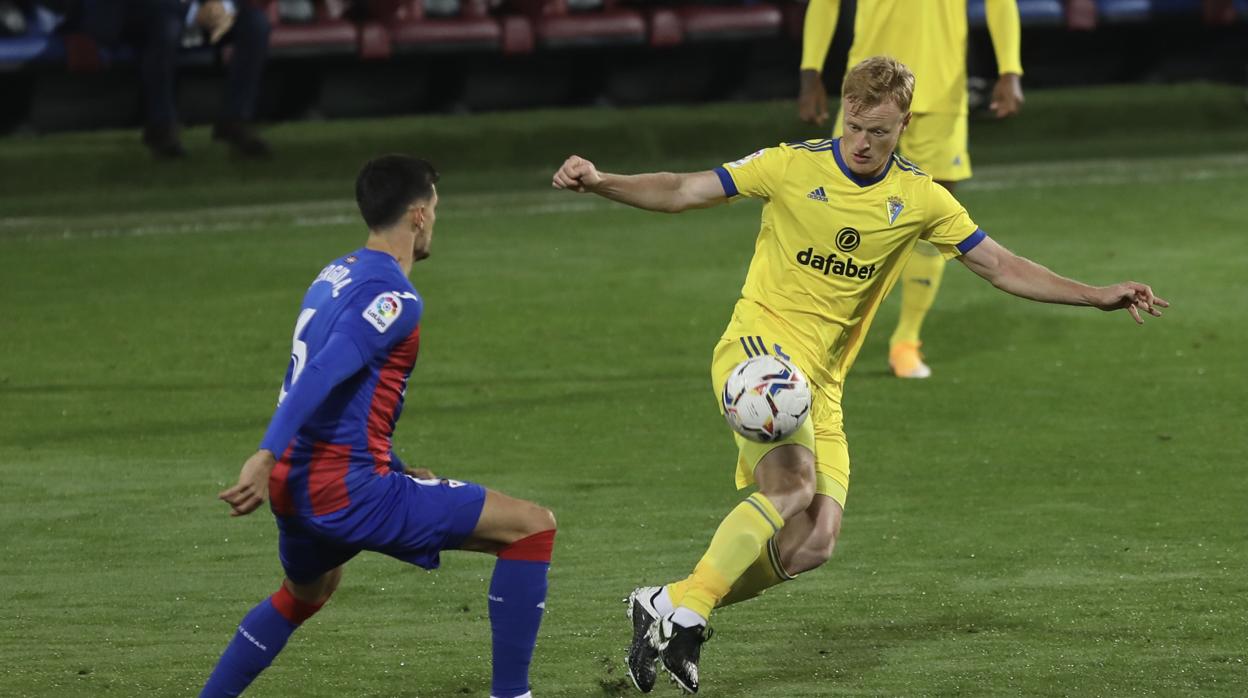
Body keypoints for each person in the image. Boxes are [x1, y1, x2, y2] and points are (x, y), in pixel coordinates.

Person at [552, 56, 1166, 695]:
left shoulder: (921, 197)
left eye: (881, 131)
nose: (865, 143)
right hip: (758, 352)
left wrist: (1095, 294)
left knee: (814, 541)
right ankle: (692, 615)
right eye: (855, 126)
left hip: (823, 379)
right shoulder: (791, 165)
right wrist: (600, 181)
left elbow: (1001, 266)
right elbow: (682, 190)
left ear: (905, 123)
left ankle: (669, 601)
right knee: (791, 485)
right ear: (844, 111)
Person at [200, 155, 557, 698]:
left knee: (306, 592)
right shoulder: (396, 297)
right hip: (341, 489)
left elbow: (342, 389)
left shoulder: (333, 274)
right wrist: (264, 451)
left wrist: (387, 463)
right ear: (417, 216)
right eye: (435, 208)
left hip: (294, 487)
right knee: (532, 527)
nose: (436, 219)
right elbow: (323, 371)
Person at [799, 0, 1026, 379]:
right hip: (866, 90)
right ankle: (817, 336)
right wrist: (810, 72)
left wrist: (1010, 69)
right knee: (832, 214)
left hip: (941, 88)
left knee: (935, 221)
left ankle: (906, 341)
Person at [78, 0, 272, 159]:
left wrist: (222, 7)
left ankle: (235, 119)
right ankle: (161, 125)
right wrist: (190, 10)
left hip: (196, 11)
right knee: (167, 27)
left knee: (254, 25)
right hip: (136, 11)